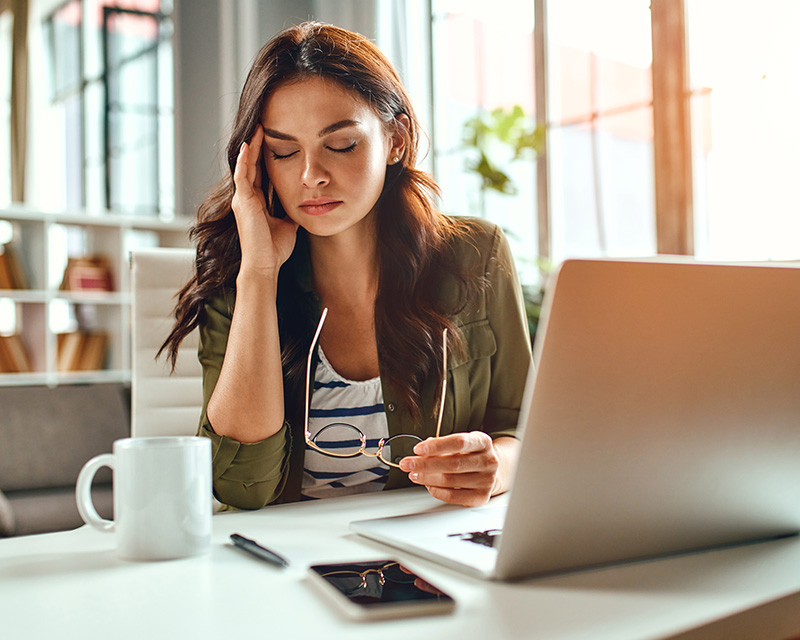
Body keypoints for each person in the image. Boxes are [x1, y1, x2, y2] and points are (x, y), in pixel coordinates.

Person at [160, 21, 532, 511]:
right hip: (284, 566)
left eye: (340, 145)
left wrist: (496, 466)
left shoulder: (475, 254)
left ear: (395, 139)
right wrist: (258, 275)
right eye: (284, 151)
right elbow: (241, 486)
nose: (311, 175)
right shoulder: (239, 275)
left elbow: (525, 430)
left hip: (425, 556)